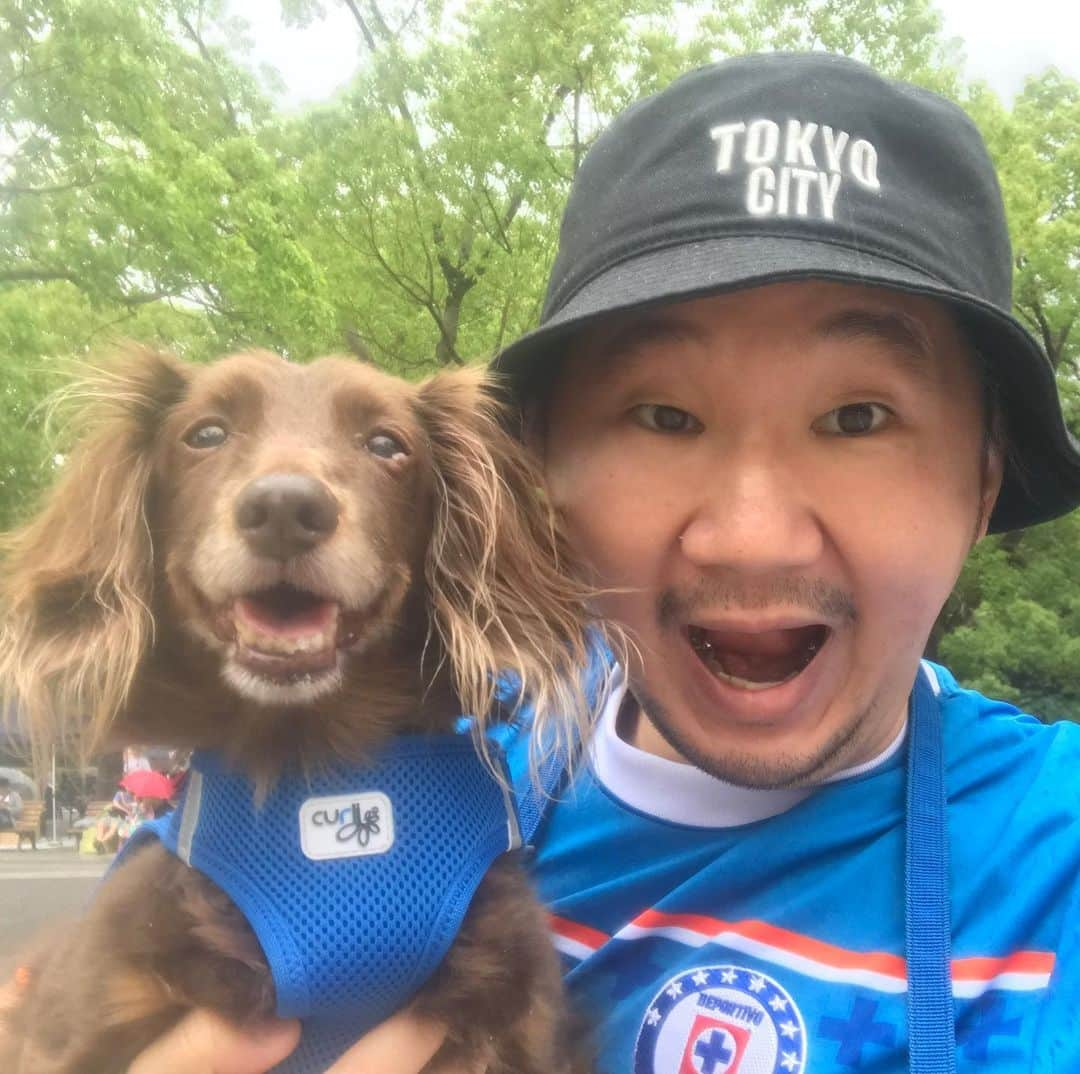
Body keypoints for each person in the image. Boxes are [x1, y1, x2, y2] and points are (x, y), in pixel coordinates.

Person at [126, 51, 1080, 1073]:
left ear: (982, 484)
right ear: (542, 474)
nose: (751, 536)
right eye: (664, 416)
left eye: (857, 418)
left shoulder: (1049, 863)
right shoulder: (360, 776)